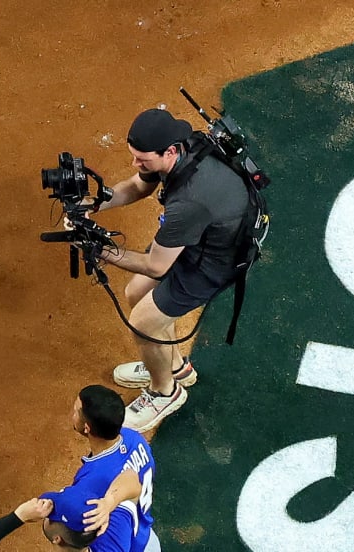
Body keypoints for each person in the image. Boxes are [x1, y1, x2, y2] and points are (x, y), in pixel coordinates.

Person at [89, 108, 255, 431]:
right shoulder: (181, 148)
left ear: (169, 152)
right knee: (135, 293)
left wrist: (101, 250)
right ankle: (173, 367)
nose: (135, 164)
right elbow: (138, 186)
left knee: (143, 323)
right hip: (199, 238)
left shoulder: (191, 201)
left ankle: (164, 391)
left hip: (212, 262)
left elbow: (155, 265)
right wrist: (94, 204)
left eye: (142, 160)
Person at [0, 387, 156, 552]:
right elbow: (131, 479)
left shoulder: (91, 485)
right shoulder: (133, 438)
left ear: (87, 428)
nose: (72, 413)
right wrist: (109, 502)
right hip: (144, 539)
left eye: (76, 411)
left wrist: (19, 516)